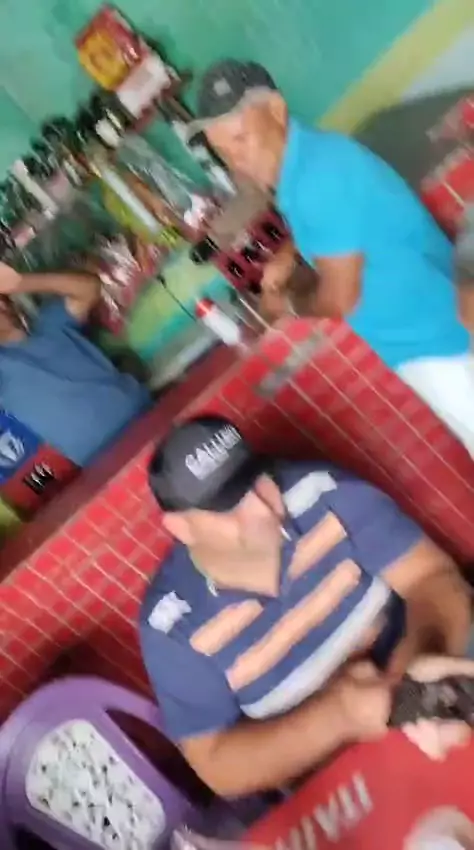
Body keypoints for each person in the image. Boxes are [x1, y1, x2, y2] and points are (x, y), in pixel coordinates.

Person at [139, 414, 471, 796]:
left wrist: (414, 682)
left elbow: (433, 578)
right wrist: (338, 716)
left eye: (256, 480)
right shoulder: (171, 626)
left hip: (431, 676)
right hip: (333, 775)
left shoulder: (321, 491)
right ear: (182, 529)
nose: (263, 508)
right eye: (229, 505)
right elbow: (216, 763)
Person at [186, 60, 474, 456]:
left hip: (437, 339)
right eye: (224, 152)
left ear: (276, 111)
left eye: (241, 139)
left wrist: (287, 304)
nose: (238, 161)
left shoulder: (313, 183)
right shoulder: (310, 164)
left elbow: (341, 299)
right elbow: (342, 225)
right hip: (433, 324)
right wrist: (290, 253)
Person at [0, 262, 149, 466]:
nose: (2, 306)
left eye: (2, 299)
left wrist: (19, 283)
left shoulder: (50, 324)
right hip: (107, 463)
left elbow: (89, 288)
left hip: (145, 416)